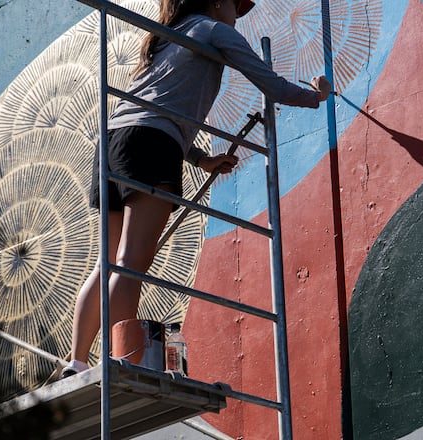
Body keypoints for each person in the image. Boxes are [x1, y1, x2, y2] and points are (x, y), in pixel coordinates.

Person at [61, 0, 331, 378]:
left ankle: (75, 361)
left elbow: (154, 104)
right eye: (237, 6)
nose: (238, 16)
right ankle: (122, 360)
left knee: (106, 262)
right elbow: (271, 85)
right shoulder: (213, 30)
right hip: (152, 144)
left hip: (111, 144)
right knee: (132, 260)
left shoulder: (166, 37)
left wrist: (200, 159)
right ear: (218, 3)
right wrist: (317, 95)